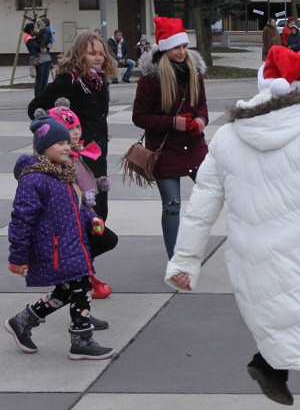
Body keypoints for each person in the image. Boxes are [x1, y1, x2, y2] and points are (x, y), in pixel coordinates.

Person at [165, 45, 300, 410]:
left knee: (284, 321)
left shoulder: (228, 136)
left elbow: (202, 202)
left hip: (252, 260)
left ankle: (271, 367)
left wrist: (186, 260)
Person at [4, 115, 114, 360]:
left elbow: (77, 208)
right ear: (44, 148)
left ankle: (22, 321)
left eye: (67, 142)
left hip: (71, 245)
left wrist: (91, 219)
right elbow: (21, 220)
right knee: (82, 286)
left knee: (66, 291)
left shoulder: (64, 174)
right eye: (60, 143)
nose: (67, 147)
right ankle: (81, 341)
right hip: (53, 248)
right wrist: (18, 257)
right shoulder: (34, 179)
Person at [132, 16, 209, 260]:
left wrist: (201, 121)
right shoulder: (150, 80)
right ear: (165, 48)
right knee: (172, 206)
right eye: (177, 47)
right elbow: (139, 116)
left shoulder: (194, 73)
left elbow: (202, 106)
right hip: (165, 150)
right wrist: (171, 123)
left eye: (185, 47)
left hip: (194, 146)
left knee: (213, 193)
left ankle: (196, 245)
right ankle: (175, 259)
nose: (182, 51)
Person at [28, 31, 116, 227]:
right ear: (79, 54)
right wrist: (60, 136)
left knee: (101, 215)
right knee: (86, 218)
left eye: (101, 53)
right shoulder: (69, 80)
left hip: (97, 154)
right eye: (92, 53)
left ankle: (85, 257)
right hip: (76, 158)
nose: (98, 57)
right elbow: (35, 109)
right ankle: (79, 256)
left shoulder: (99, 81)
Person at [43, 99, 117, 303]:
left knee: (97, 246)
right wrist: (84, 200)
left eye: (77, 126)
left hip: (86, 213)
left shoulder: (75, 153)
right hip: (75, 218)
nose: (76, 132)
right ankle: (80, 279)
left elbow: (82, 178)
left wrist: (98, 185)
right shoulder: (60, 161)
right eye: (70, 128)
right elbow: (67, 189)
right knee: (104, 241)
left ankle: (81, 278)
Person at [30, 19, 53, 95]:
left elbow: (50, 43)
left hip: (46, 59)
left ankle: (43, 96)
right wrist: (39, 48)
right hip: (39, 59)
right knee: (40, 79)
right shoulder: (34, 35)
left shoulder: (46, 33)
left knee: (45, 79)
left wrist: (46, 48)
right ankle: (37, 96)